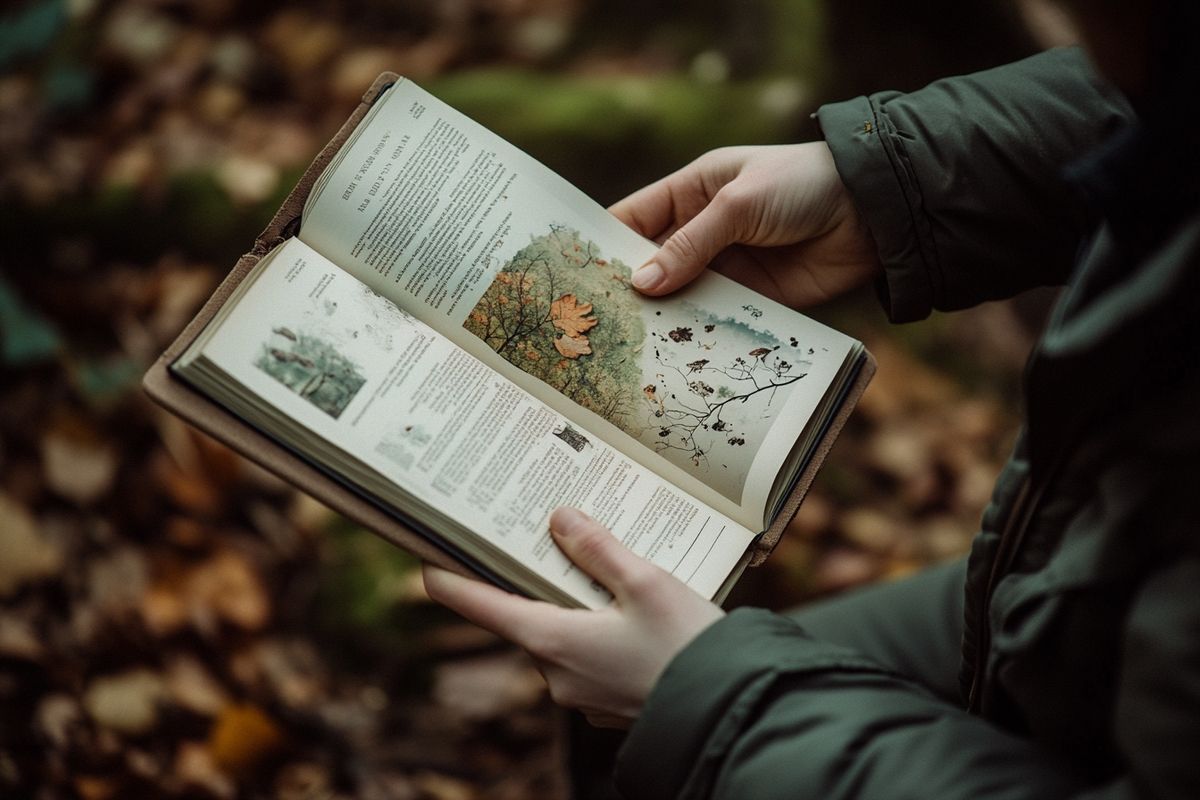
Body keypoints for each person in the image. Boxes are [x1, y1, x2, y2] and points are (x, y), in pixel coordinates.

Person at [425, 1, 1200, 797]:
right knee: (622, 715)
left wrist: (713, 702)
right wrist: (883, 184)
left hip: (1127, 656)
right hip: (1079, 565)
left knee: (660, 708)